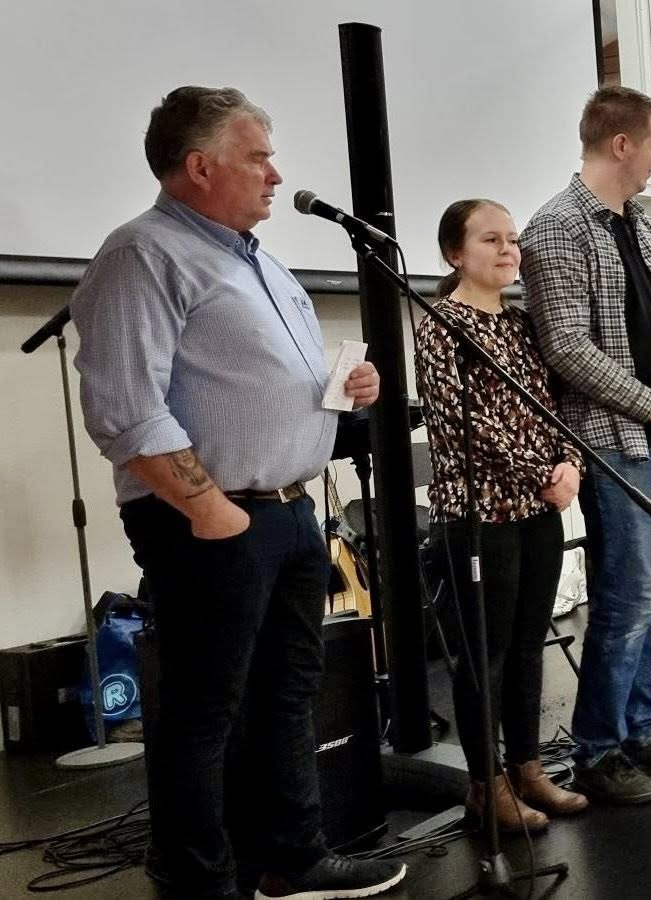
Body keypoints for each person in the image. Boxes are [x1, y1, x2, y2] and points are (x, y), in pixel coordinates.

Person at [70, 86, 404, 900]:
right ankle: (198, 879)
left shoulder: (258, 260)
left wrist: (344, 387)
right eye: (257, 158)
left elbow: (263, 381)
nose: (275, 174)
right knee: (202, 713)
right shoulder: (143, 254)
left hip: (289, 510)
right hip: (209, 521)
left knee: (287, 697)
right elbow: (124, 407)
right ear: (199, 166)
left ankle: (291, 859)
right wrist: (210, 510)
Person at [521, 86, 651, 804]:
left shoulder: (640, 224)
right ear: (621, 145)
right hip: (615, 438)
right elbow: (566, 348)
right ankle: (599, 749)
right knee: (628, 595)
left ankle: (644, 728)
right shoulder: (555, 227)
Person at [416, 199, 589, 834]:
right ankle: (485, 786)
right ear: (454, 253)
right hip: (479, 515)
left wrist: (570, 461)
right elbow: (468, 425)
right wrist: (542, 471)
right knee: (484, 655)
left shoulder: (521, 324)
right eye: (491, 239)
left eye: (512, 239)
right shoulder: (441, 327)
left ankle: (528, 768)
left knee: (527, 646)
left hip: (537, 509)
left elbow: (552, 404)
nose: (508, 250)